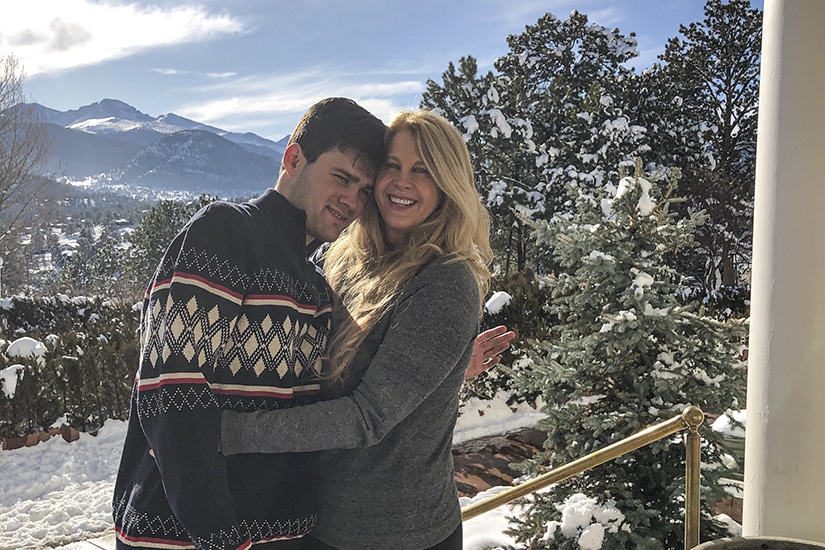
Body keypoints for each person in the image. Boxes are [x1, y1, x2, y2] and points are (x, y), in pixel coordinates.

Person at [111, 97, 388, 550]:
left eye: (363, 191)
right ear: (293, 159)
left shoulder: (315, 286)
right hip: (183, 537)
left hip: (280, 533)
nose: (351, 201)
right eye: (342, 177)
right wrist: (221, 538)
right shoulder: (225, 233)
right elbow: (172, 398)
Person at [220, 110, 495, 550]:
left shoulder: (445, 280)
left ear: (448, 185)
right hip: (316, 515)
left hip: (397, 534)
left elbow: (366, 417)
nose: (402, 182)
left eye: (422, 171)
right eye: (392, 166)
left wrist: (226, 432)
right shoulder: (347, 258)